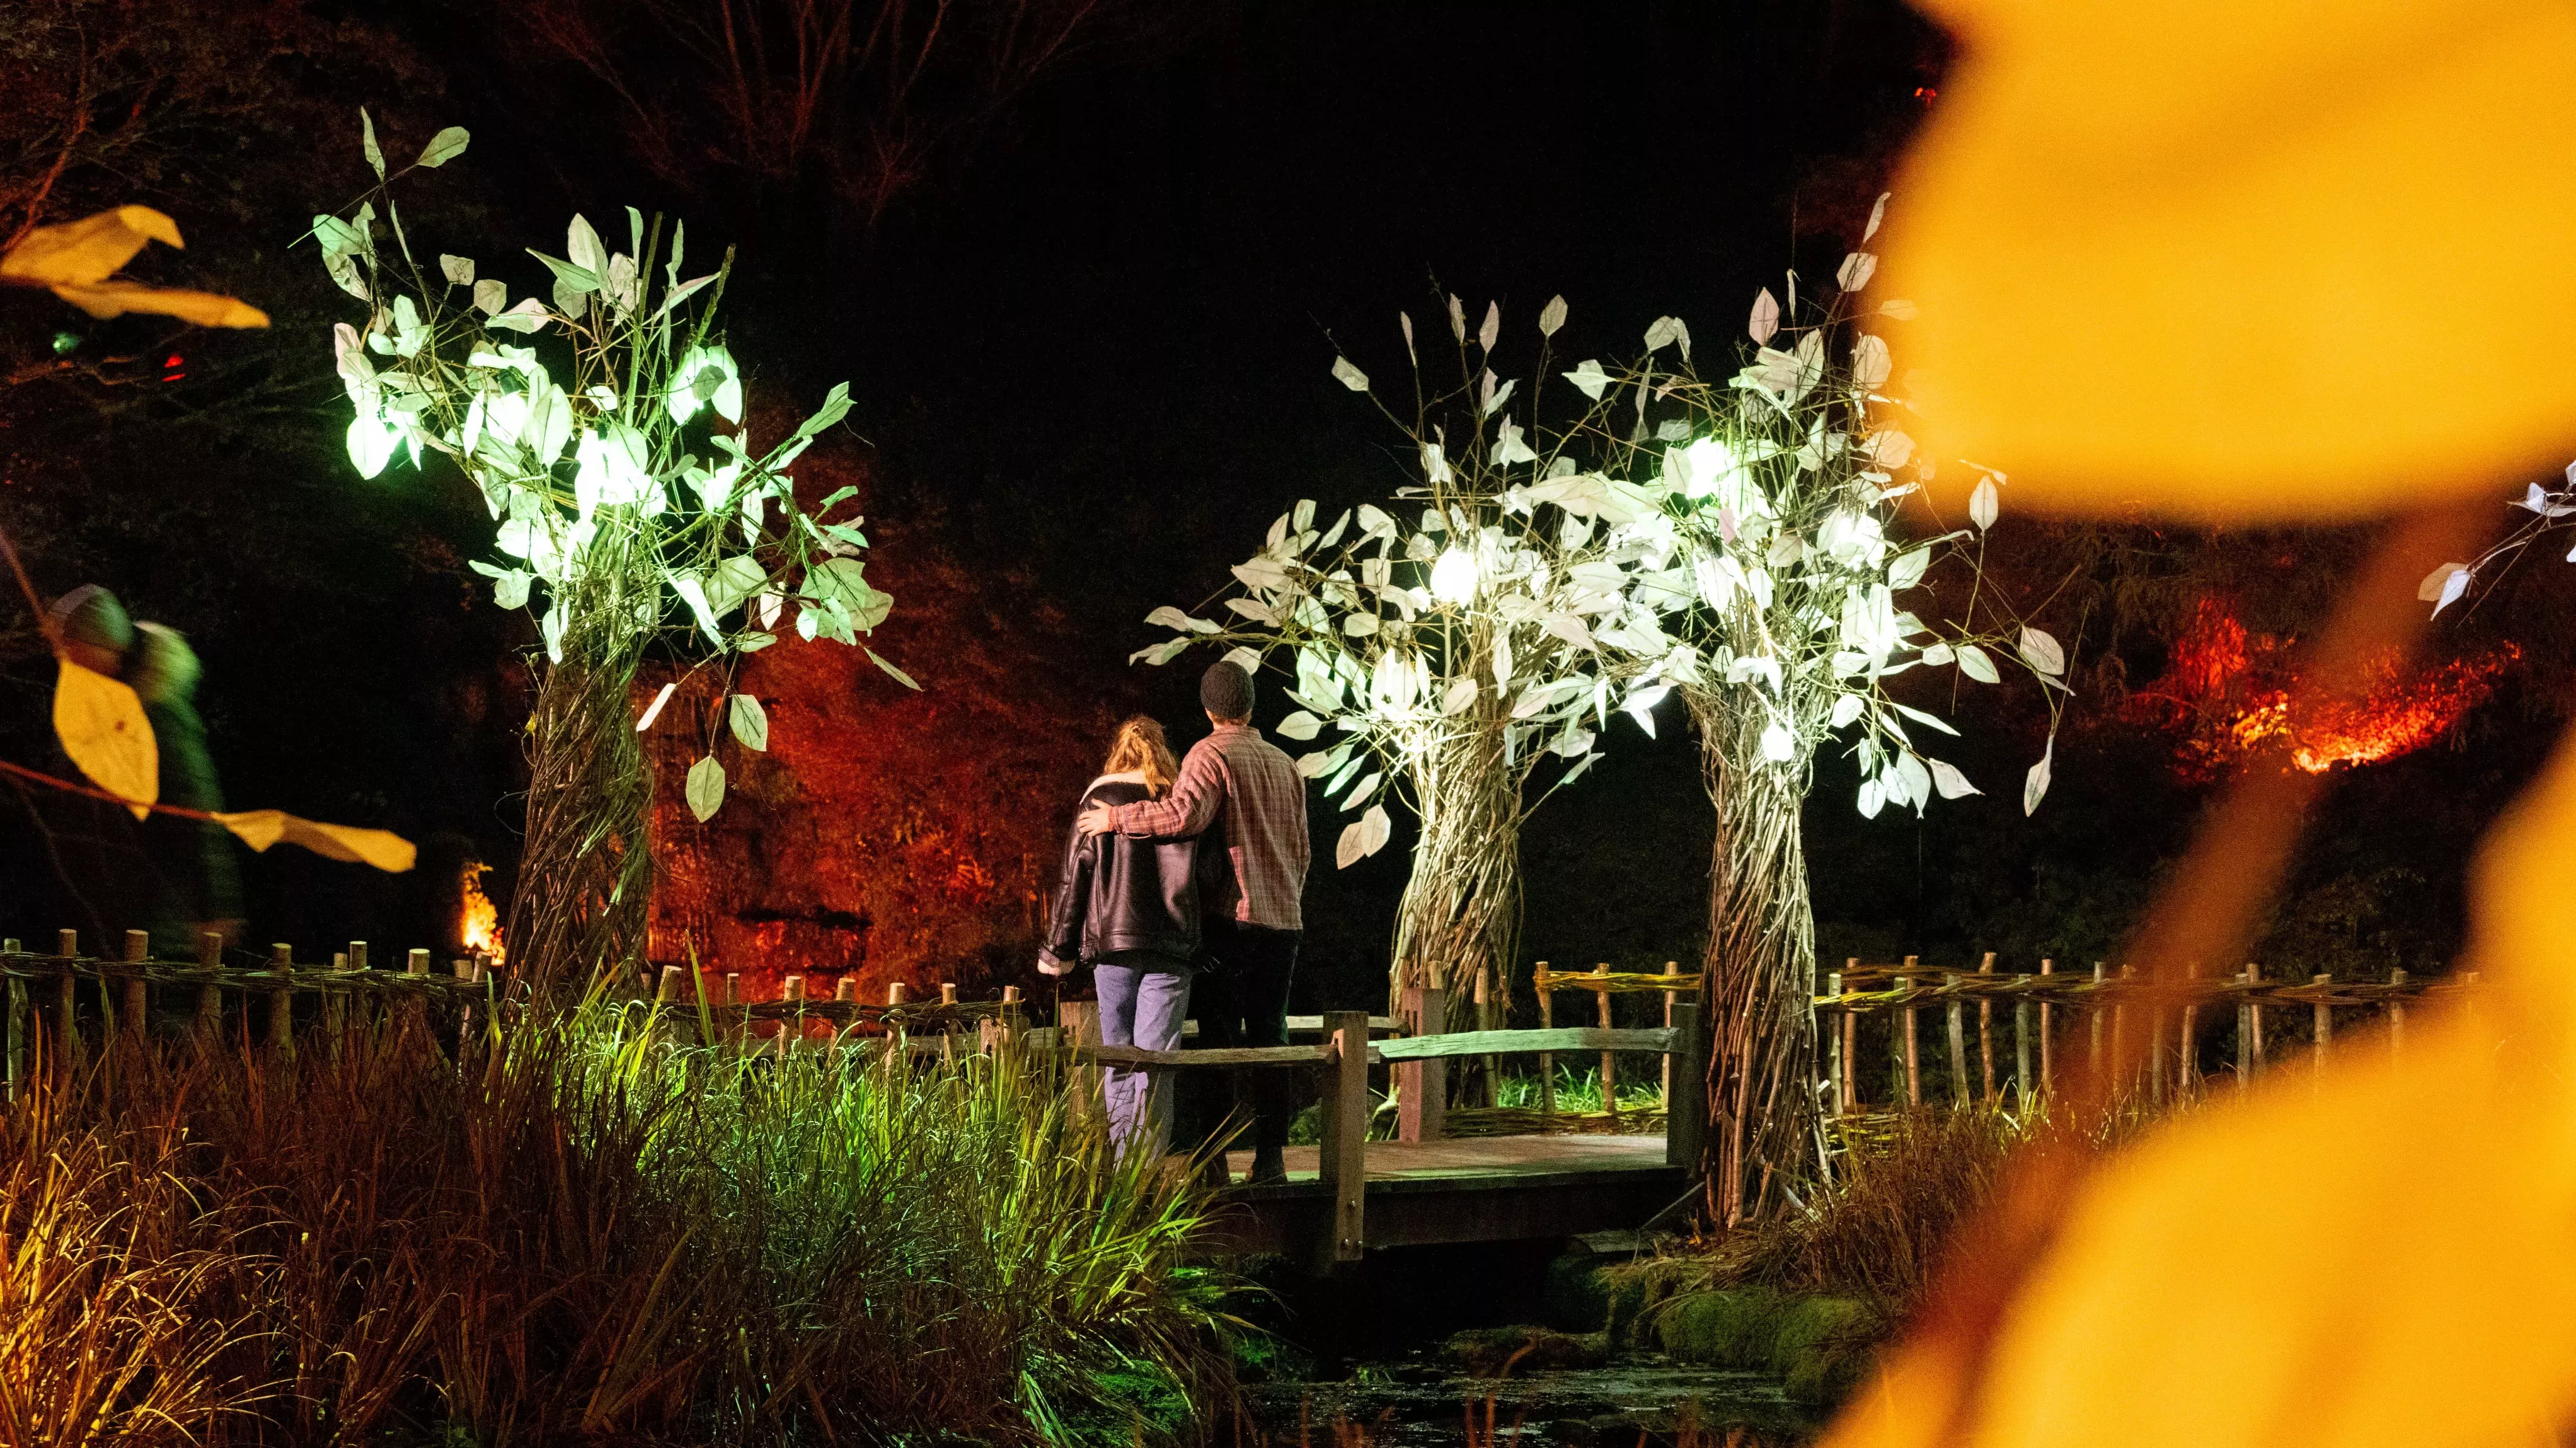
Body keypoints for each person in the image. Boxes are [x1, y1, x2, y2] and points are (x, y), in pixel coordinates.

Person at [1078, 660, 1309, 1185]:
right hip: (1285, 921)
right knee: (1272, 1037)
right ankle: (1271, 1161)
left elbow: (1183, 816)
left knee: (1220, 1039)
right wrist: (1290, 899)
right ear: (1250, 706)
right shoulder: (1285, 764)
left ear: (1209, 709)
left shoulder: (1210, 754)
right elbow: (1301, 850)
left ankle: (1215, 1162)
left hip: (1233, 917)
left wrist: (1115, 819)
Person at [1039, 715, 1222, 1158]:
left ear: (1117, 752)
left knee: (1119, 1059)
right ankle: (1149, 1167)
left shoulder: (1098, 801)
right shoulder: (1181, 801)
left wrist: (1056, 949)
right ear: (1163, 752)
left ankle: (1124, 1172)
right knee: (1157, 1064)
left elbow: (1073, 878)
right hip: (1173, 949)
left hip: (1113, 947)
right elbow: (1211, 875)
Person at [42, 585, 242, 957]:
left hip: (161, 911)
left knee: (157, 1010)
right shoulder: (93, 705)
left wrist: (215, 905)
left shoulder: (156, 711)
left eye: (75, 651)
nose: (66, 662)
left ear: (108, 648)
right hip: (105, 908)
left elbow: (194, 803)